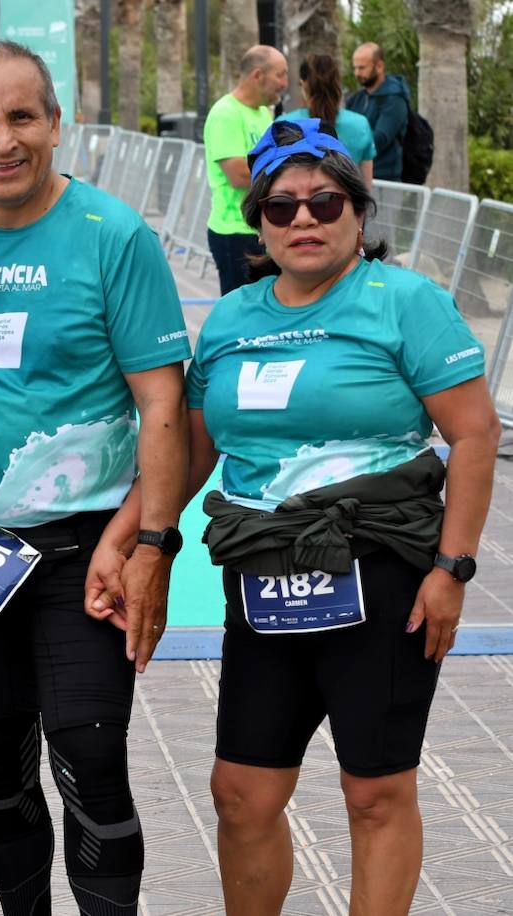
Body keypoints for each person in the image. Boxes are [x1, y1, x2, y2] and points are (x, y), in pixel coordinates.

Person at [0, 38, 192, 915]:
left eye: (23, 116)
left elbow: (163, 407)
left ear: (57, 124)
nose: (4, 139)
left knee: (91, 758)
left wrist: (150, 544)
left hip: (85, 554)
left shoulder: (114, 236)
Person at [178, 117, 498, 914]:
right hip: (262, 576)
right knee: (241, 794)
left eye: (325, 203)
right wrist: (139, 539)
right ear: (257, 222)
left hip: (382, 575)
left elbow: (475, 433)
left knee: (375, 793)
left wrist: (452, 570)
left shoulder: (406, 302)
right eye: (281, 208)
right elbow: (192, 451)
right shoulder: (231, 319)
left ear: (359, 211)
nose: (304, 221)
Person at [203, 45, 290, 295]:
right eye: (280, 75)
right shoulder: (225, 113)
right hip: (234, 232)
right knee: (241, 313)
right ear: (258, 75)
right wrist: (285, 175)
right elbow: (239, 174)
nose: (285, 83)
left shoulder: (264, 113)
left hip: (262, 230)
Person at [283, 53, 375, 186]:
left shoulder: (284, 124)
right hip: (344, 203)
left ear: (304, 84)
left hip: (299, 205)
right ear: (337, 83)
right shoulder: (360, 124)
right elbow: (366, 184)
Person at [347, 42, 411, 183]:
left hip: (385, 180)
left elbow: (380, 139)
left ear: (379, 66)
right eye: (355, 68)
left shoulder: (395, 99)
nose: (357, 73)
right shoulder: (357, 98)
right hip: (357, 177)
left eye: (362, 68)